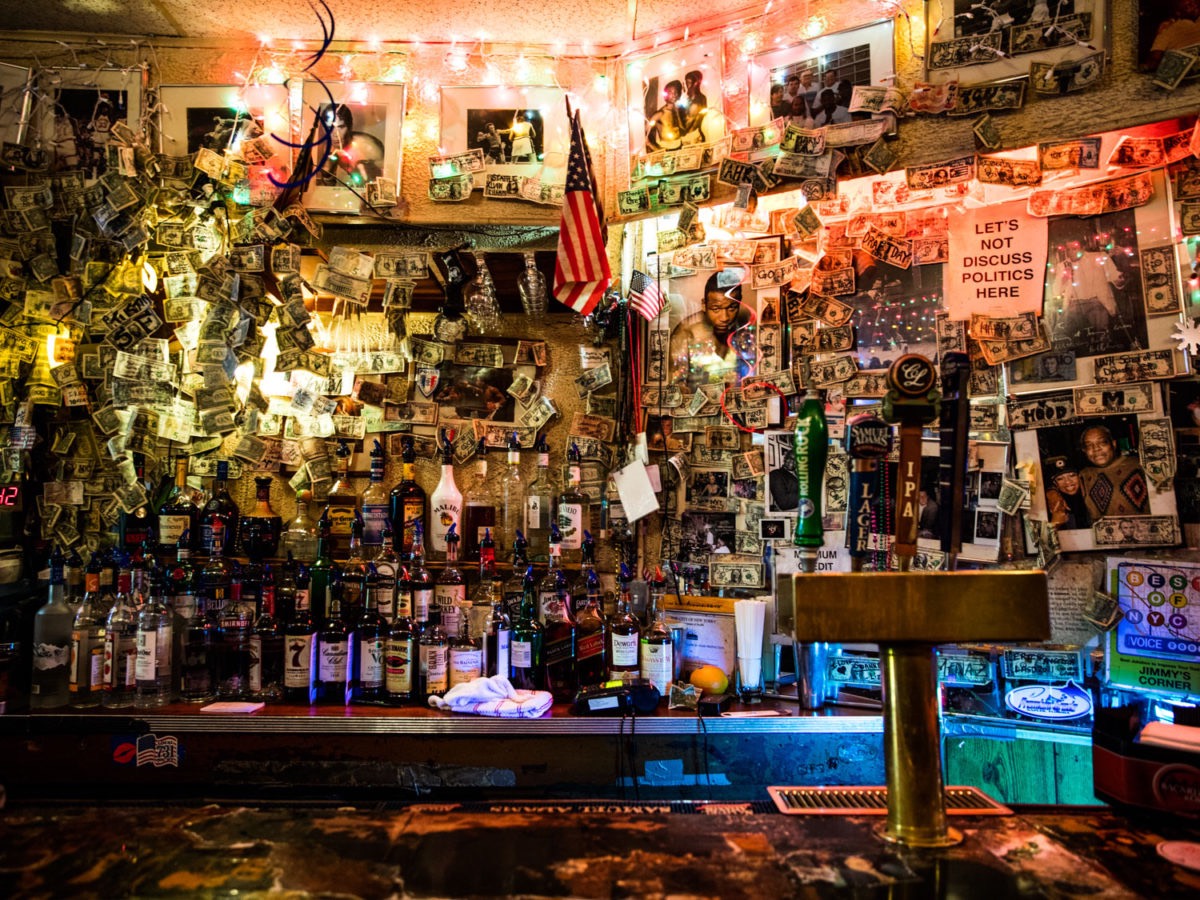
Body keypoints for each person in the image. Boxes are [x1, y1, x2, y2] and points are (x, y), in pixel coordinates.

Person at [669, 270, 754, 387]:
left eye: (732, 308)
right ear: (704, 305)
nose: (724, 318)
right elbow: (677, 386)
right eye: (716, 309)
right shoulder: (686, 334)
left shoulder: (746, 328)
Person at [1050, 232, 1127, 340]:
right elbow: (1055, 292)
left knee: (1101, 336)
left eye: (1074, 248)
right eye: (1068, 249)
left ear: (1082, 247)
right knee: (1059, 335)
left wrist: (1120, 276)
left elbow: (1117, 279)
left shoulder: (1099, 257)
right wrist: (1065, 277)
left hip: (1097, 302)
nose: (1071, 252)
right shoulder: (1062, 265)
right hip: (1074, 305)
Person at [1077, 425, 1150, 520]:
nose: (1096, 449)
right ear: (1084, 450)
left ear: (1113, 444)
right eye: (1089, 445)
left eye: (1102, 443)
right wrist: (1052, 492)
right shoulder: (1084, 475)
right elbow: (1062, 487)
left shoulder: (1139, 465)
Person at [317, 103, 384, 186]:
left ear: (349, 127)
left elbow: (385, 182)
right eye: (329, 128)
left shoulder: (369, 147)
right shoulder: (330, 148)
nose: (335, 134)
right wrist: (328, 174)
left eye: (341, 127)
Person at [1043, 456, 1090, 530]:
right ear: (1055, 483)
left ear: (1079, 476)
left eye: (1072, 475)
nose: (1067, 481)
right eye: (1060, 479)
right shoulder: (1056, 505)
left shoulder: (1090, 496)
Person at [646, 80, 685, 151]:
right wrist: (650, 145)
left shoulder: (678, 110)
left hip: (680, 146)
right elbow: (646, 130)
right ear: (666, 94)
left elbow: (682, 129)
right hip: (666, 149)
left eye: (676, 92)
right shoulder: (660, 113)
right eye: (670, 92)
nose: (674, 95)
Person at [682, 70, 709, 141]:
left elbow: (694, 119)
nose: (686, 85)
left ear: (696, 83)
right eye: (685, 82)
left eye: (688, 82)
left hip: (694, 136)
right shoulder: (686, 99)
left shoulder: (700, 99)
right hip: (687, 136)